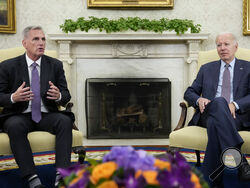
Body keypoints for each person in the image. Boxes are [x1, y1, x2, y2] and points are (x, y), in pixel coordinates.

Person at [0, 26, 73, 188]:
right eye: (35, 39)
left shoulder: (55, 65)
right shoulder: (7, 66)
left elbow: (66, 94)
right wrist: (13, 97)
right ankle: (32, 177)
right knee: (14, 125)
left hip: (47, 115)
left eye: (43, 39)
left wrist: (59, 96)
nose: (41, 43)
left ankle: (61, 175)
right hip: (19, 115)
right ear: (25, 43)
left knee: (64, 121)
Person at [184, 32, 250, 187]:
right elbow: (189, 92)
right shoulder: (206, 69)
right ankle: (240, 163)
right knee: (219, 102)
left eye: (226, 44)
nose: (222, 48)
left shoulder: (248, 68)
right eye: (219, 45)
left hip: (237, 116)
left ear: (235, 46)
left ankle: (215, 180)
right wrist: (199, 99)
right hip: (208, 112)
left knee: (215, 124)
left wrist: (235, 104)